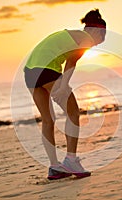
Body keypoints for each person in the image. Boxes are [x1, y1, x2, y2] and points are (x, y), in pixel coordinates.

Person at [24, 9, 106, 180]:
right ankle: (71, 160)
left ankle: (54, 167)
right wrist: (63, 87)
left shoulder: (72, 34)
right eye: (102, 37)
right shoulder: (86, 38)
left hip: (29, 72)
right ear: (96, 31)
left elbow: (67, 58)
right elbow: (71, 61)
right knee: (74, 112)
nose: (98, 43)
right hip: (46, 70)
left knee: (48, 120)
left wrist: (62, 86)